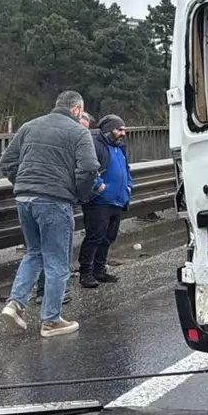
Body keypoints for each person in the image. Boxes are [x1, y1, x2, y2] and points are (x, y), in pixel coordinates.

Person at [0, 91, 99, 338]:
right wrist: (78, 195)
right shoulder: (79, 132)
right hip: (54, 201)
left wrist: (23, 182)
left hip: (24, 198)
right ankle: (51, 320)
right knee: (57, 261)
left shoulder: (29, 126)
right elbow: (89, 168)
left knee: (34, 253)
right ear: (77, 109)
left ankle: (15, 303)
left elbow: (7, 162)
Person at [78, 114, 133, 288]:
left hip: (117, 201)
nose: (123, 133)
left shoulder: (120, 148)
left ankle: (99, 270)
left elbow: (126, 169)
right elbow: (88, 169)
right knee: (94, 236)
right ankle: (85, 272)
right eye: (119, 129)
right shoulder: (96, 146)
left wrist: (129, 185)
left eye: (123, 129)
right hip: (99, 202)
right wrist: (99, 185)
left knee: (108, 237)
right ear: (109, 130)